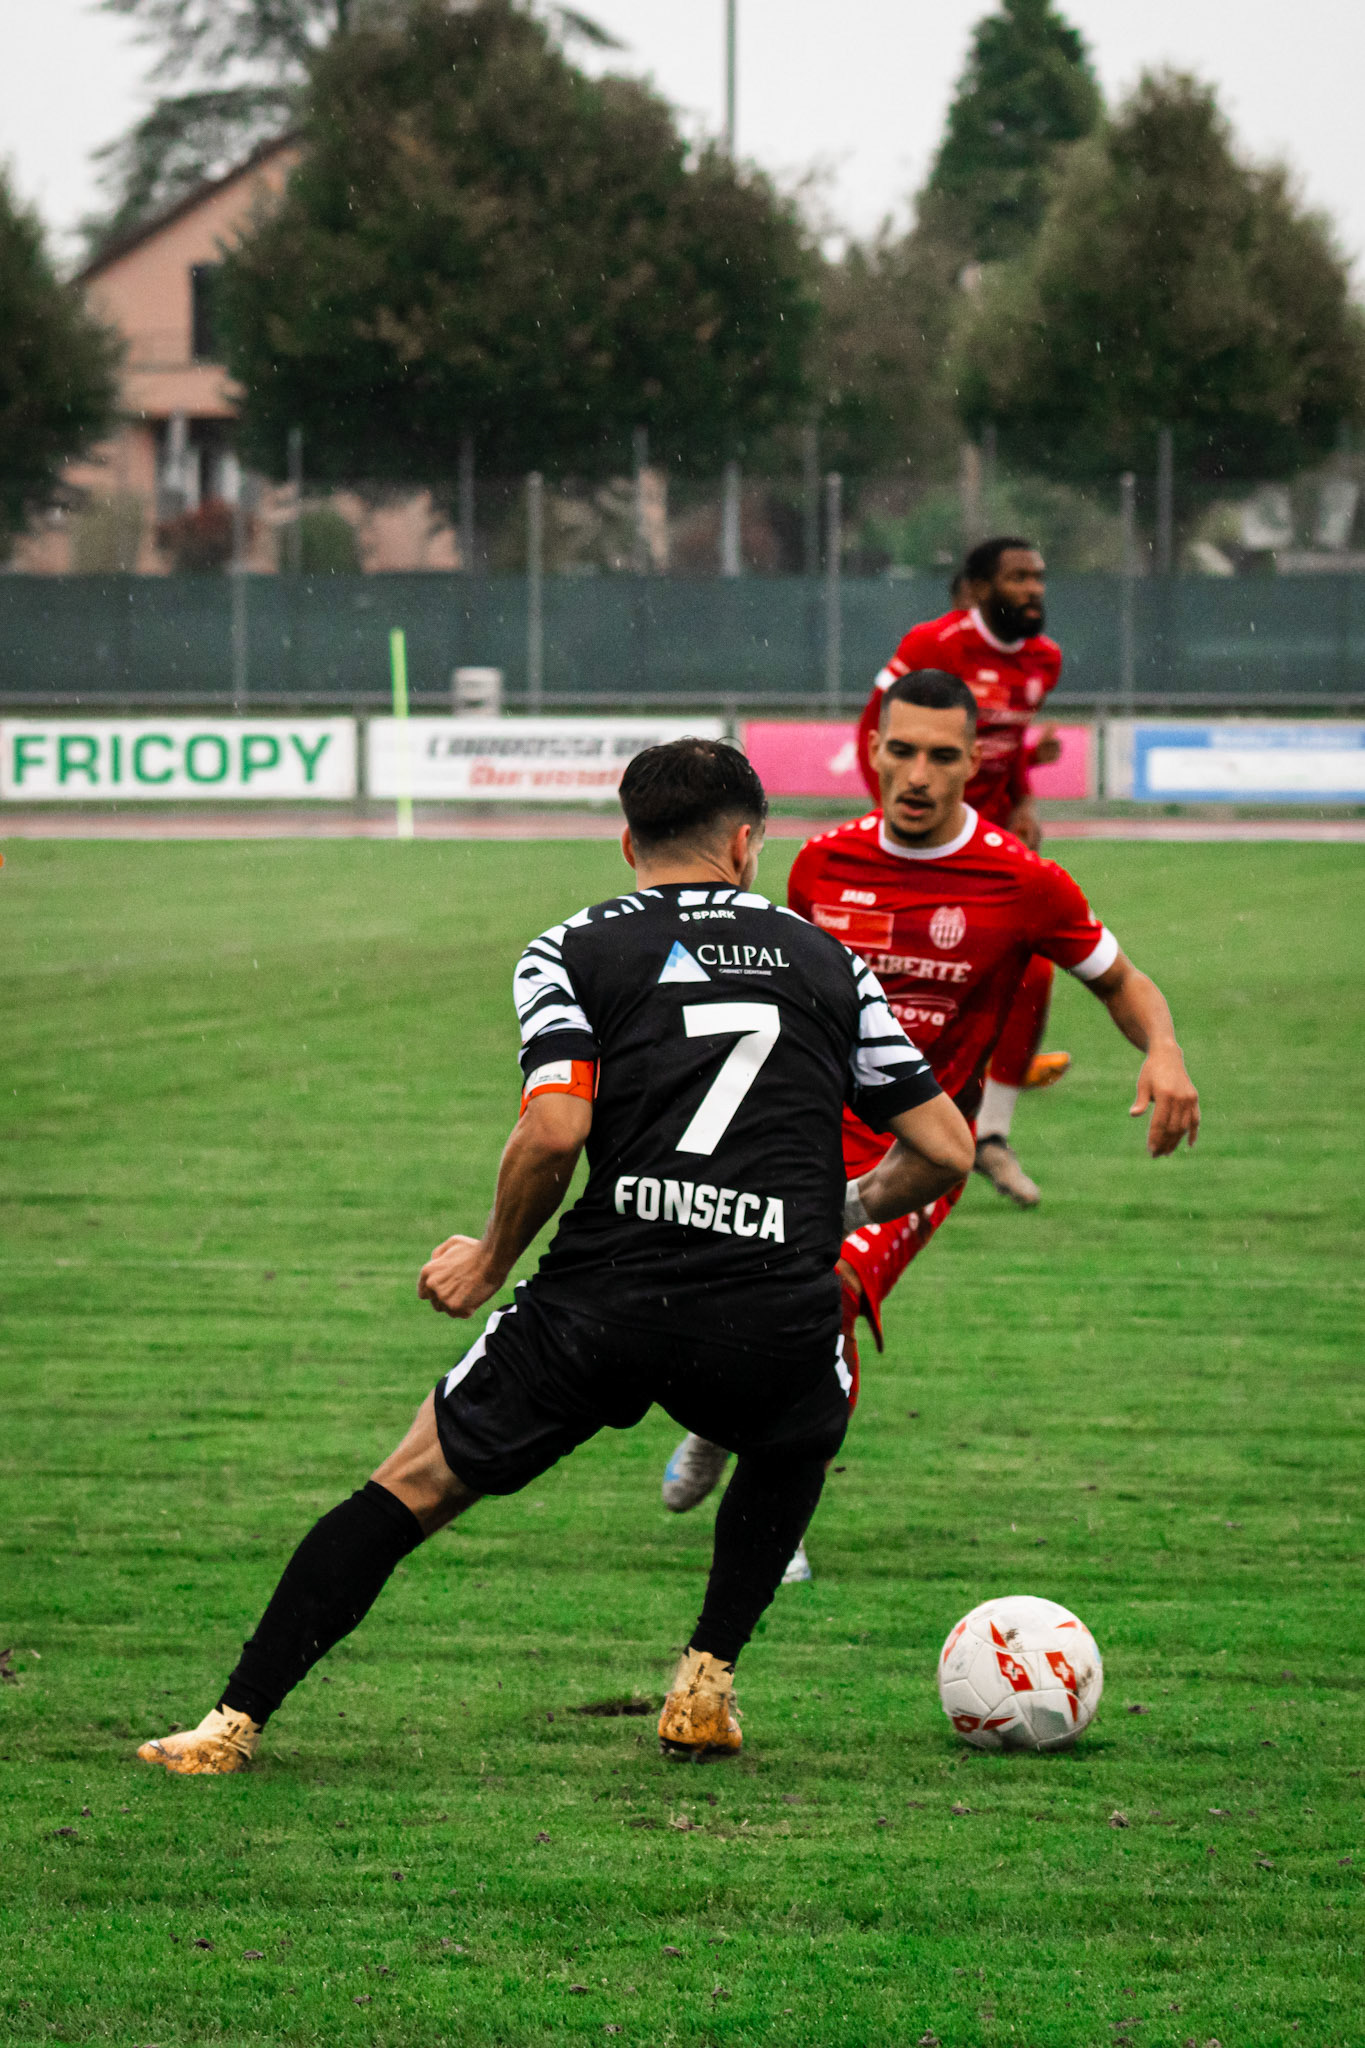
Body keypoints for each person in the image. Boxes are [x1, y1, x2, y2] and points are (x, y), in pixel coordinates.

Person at [135, 738, 973, 1775]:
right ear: (750, 844)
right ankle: (707, 1677)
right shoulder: (825, 959)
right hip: (766, 1301)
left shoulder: (571, 948)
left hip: (608, 1297)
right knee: (804, 1419)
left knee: (412, 1485)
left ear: (629, 841)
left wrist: (487, 1260)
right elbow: (944, 1148)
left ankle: (232, 1722)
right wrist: (834, 1204)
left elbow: (555, 1128)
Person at [660, 675, 1200, 1554]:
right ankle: (726, 1423)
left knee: (821, 1292)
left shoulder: (1022, 882)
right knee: (734, 1301)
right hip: (797, 1132)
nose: (917, 774)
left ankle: (773, 1511)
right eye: (900, 751)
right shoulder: (822, 864)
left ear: (973, 761)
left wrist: (1163, 1050)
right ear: (872, 750)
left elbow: (1119, 979)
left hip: (917, 1150)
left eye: (941, 756)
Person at [854, 536, 1068, 1208]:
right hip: (921, 847)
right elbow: (875, 731)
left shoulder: (1044, 661)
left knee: (1032, 968)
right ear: (978, 588)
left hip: (988, 848)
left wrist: (1025, 796)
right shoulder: (934, 644)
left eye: (1037, 576)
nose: (1033, 588)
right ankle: (881, 1121)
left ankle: (989, 1137)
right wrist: (893, 826)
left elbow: (998, 750)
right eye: (1017, 577)